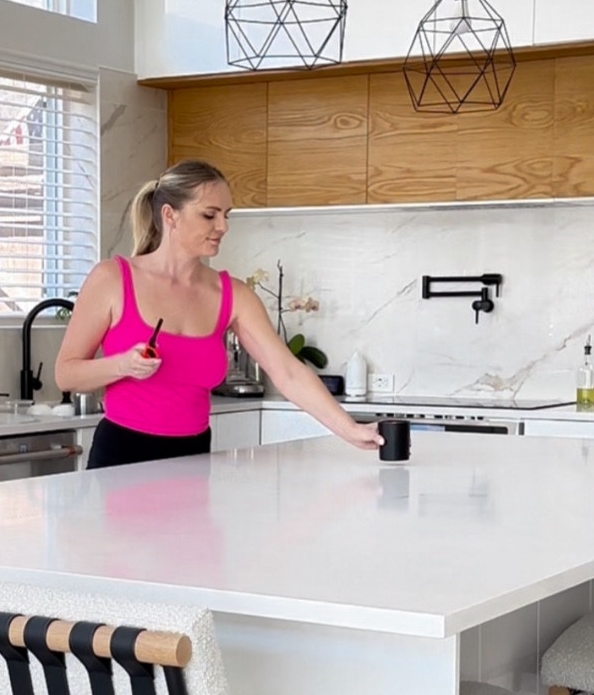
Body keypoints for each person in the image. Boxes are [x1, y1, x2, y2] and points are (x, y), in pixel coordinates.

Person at [55, 159, 384, 469]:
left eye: (226, 214)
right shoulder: (112, 279)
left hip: (194, 457)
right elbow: (66, 374)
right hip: (122, 456)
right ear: (170, 215)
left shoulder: (233, 295)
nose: (223, 226)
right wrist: (122, 365)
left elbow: (288, 373)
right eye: (209, 215)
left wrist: (350, 430)